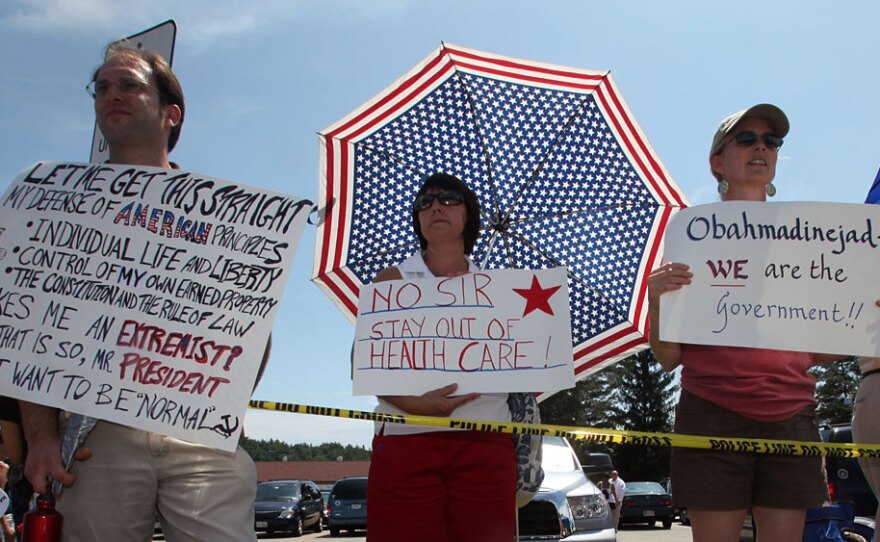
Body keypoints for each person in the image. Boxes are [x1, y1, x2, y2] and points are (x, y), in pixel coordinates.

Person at [20, 41, 261, 542]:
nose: (113, 94)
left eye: (130, 84)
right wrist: (41, 439)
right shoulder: (55, 207)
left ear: (170, 113)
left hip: (198, 436)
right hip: (95, 438)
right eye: (103, 87)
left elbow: (252, 322)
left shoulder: (220, 214)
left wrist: (217, 407)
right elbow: (31, 328)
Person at [648, 104, 842, 542]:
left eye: (771, 142)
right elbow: (668, 357)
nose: (761, 146)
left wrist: (862, 317)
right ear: (718, 162)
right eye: (746, 138)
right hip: (711, 411)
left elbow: (823, 352)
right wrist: (657, 306)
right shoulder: (691, 234)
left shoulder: (810, 238)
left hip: (792, 413)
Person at [365, 173, 516, 542]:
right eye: (424, 202)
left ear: (470, 214)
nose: (435, 206)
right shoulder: (391, 280)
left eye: (449, 198)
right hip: (407, 438)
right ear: (418, 219)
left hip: (485, 441)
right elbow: (365, 362)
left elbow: (529, 364)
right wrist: (414, 404)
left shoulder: (504, 289)